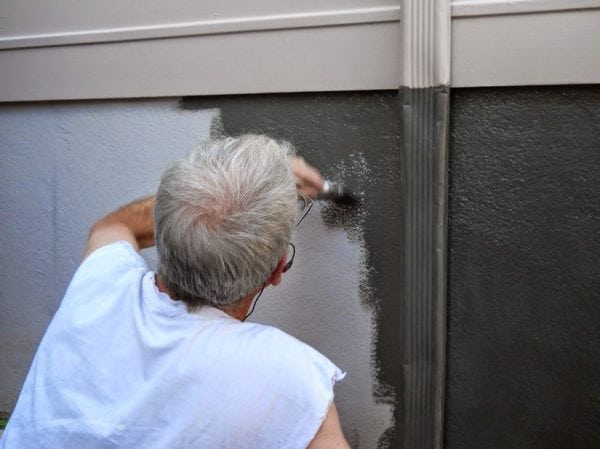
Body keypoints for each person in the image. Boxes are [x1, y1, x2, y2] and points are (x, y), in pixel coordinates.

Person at [0, 135, 350, 449]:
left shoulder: (100, 284)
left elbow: (116, 225)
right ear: (276, 271)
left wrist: (204, 199)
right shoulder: (291, 378)